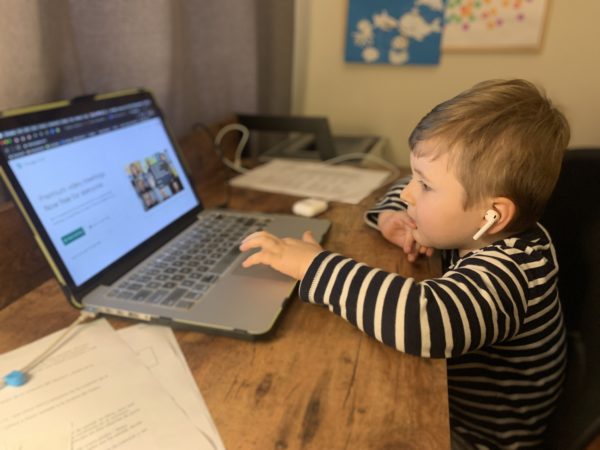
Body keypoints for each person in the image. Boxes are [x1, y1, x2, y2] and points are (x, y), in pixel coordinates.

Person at [239, 79, 571, 449]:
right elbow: (400, 187)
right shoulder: (478, 231)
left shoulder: (513, 271)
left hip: (478, 437)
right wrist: (390, 218)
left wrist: (314, 267)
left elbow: (424, 320)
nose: (410, 193)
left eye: (426, 186)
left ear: (492, 215)